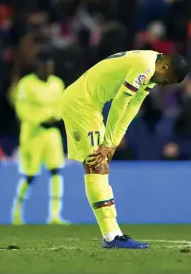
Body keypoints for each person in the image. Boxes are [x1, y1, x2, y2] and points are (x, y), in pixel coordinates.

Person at [61, 50, 188, 249]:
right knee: (97, 165)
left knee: (100, 165)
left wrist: (112, 143)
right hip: (80, 105)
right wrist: (108, 141)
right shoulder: (145, 65)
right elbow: (120, 103)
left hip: (89, 106)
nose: (162, 85)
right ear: (164, 67)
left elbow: (133, 106)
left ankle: (113, 234)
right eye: (166, 81)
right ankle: (111, 236)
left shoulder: (152, 67)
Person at [12, 54, 67, 225]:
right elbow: (21, 109)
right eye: (45, 67)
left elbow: (61, 105)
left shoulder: (57, 83)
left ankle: (55, 215)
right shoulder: (26, 84)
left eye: (50, 68)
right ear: (38, 67)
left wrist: (55, 116)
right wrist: (40, 119)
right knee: (30, 175)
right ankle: (16, 212)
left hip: (51, 133)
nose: (48, 71)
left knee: (56, 171)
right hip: (32, 132)